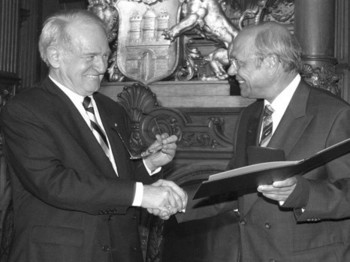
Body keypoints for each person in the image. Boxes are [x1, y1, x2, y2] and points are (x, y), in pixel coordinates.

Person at [0, 9, 187, 262]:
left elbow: (111, 180)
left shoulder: (112, 110)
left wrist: (149, 165)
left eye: (105, 57)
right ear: (55, 56)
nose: (101, 68)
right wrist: (144, 195)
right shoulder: (25, 110)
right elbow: (54, 183)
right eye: (90, 57)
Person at [224, 21, 350, 261]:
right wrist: (179, 200)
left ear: (271, 62)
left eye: (239, 63)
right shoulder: (249, 116)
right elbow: (234, 185)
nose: (231, 71)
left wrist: (302, 193)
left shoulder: (335, 114)